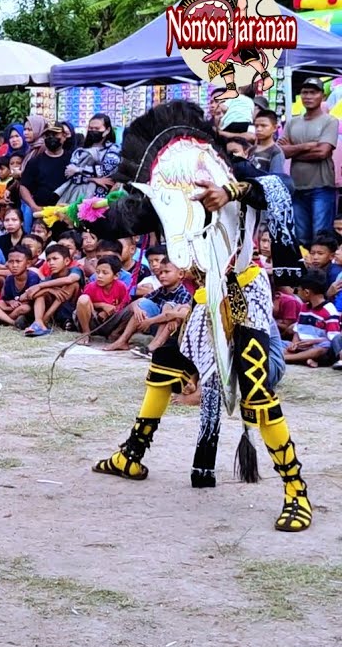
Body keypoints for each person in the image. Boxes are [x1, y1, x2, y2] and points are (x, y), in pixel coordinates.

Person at [89, 100, 311, 532]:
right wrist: (86, 217)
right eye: (230, 137)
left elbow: (280, 190)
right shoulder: (184, 178)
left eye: (247, 135)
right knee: (165, 362)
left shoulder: (254, 176)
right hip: (206, 296)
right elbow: (134, 216)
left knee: (256, 392)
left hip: (243, 294)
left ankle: (296, 491)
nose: (239, 145)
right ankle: (131, 456)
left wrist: (230, 191)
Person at [279, 78, 338, 243]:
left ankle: (320, 270)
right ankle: (306, 269)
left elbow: (322, 152)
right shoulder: (292, 122)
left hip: (322, 187)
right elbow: (281, 152)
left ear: (322, 96)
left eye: (313, 92)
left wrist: (294, 149)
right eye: (305, 92)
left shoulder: (330, 121)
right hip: (296, 188)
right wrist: (307, 146)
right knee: (301, 238)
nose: (308, 96)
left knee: (321, 237)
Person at [21, 243, 84, 336]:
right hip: (55, 316)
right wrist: (48, 290)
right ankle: (38, 322)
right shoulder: (49, 278)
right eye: (48, 260)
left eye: (55, 259)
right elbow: (23, 298)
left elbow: (70, 279)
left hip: (72, 312)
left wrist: (40, 286)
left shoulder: (75, 270)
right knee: (41, 293)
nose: (51, 263)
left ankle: (44, 320)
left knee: (72, 284)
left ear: (66, 261)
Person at [284, 268, 341, 367]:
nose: (297, 292)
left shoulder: (329, 311)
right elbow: (298, 329)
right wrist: (294, 343)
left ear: (306, 292)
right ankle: (301, 358)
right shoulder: (304, 307)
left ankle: (287, 358)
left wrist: (313, 341)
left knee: (322, 349)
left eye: (299, 289)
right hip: (301, 346)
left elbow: (333, 338)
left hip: (318, 346)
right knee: (280, 344)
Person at [76, 254, 131, 341]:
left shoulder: (121, 286)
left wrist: (111, 310)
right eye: (97, 272)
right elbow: (83, 305)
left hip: (111, 320)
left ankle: (116, 333)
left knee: (132, 309)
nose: (100, 276)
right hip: (93, 320)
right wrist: (102, 306)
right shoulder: (91, 286)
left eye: (105, 273)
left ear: (116, 276)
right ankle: (86, 333)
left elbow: (124, 304)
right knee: (83, 299)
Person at [19, 124, 71, 214]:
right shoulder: (35, 162)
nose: (51, 138)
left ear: (64, 136)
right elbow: (24, 186)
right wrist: (33, 206)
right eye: (47, 135)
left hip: (67, 211)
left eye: (55, 134)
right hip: (42, 212)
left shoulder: (73, 159)